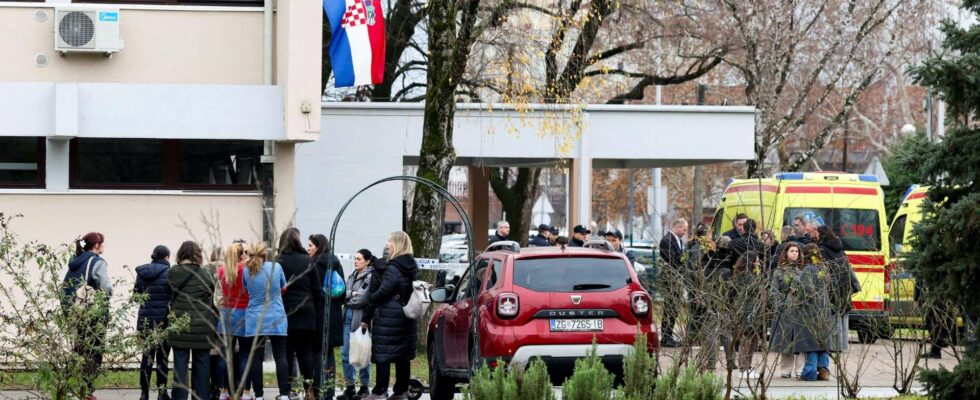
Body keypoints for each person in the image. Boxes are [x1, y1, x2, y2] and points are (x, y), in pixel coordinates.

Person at [365, 232, 419, 400]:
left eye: (389, 241)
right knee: (402, 356)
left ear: (397, 244)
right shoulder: (412, 265)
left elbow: (385, 290)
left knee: (383, 354)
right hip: (406, 316)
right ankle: (401, 391)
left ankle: (379, 391)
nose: (387, 244)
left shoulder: (393, 266)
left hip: (388, 317)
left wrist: (372, 298)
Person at [63, 232, 114, 400]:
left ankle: (71, 388)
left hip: (76, 313)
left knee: (79, 350)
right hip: (93, 314)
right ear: (96, 245)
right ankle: (87, 390)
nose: (104, 246)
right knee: (94, 352)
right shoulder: (97, 262)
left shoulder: (74, 262)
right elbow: (106, 288)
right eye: (103, 243)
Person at [168, 241, 218, 400]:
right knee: (202, 365)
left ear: (181, 254)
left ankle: (179, 397)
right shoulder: (205, 273)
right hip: (202, 326)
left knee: (180, 366)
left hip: (179, 325)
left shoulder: (174, 271)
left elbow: (170, 289)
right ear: (198, 255)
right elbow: (212, 289)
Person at [242, 242, 291, 400]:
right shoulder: (276, 268)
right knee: (281, 355)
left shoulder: (245, 270)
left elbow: (245, 289)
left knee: (256, 358)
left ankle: (259, 395)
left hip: (255, 318)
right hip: (276, 315)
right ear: (266, 254)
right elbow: (284, 286)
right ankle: (284, 394)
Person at [274, 228, 319, 399]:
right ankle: (309, 391)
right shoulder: (308, 260)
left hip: (285, 311)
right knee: (305, 353)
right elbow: (316, 288)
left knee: (285, 353)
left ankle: (287, 391)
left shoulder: (278, 261)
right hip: (307, 310)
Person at [309, 233, 345, 400]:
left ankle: (318, 390)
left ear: (319, 246)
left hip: (317, 314)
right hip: (334, 314)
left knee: (316, 352)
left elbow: (312, 291)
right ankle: (329, 391)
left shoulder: (313, 264)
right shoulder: (335, 263)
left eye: (311, 245)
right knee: (329, 353)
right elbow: (342, 292)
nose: (308, 248)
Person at [134, 245, 172, 400]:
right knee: (162, 357)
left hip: (145, 321)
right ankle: (162, 393)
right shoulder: (170, 273)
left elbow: (136, 296)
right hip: (163, 319)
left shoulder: (142, 273)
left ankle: (144, 393)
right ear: (167, 257)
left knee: (146, 356)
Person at [218, 240, 251, 400]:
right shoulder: (245, 270)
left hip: (226, 314)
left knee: (225, 355)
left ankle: (223, 391)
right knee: (245, 354)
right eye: (244, 253)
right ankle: (245, 392)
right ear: (240, 255)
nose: (246, 255)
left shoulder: (222, 270)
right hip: (243, 314)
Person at [339, 249, 375, 399]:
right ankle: (350, 387)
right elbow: (343, 294)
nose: (355, 261)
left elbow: (361, 299)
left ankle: (365, 387)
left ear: (367, 261)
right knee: (345, 353)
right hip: (346, 318)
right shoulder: (352, 275)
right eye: (354, 258)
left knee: (362, 353)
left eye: (359, 259)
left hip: (361, 320)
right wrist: (349, 295)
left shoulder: (370, 277)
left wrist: (348, 297)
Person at [796, 244, 835, 381]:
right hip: (824, 308)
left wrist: (799, 300)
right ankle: (824, 370)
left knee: (810, 342)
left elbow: (807, 289)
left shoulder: (808, 269)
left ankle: (809, 373)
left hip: (811, 309)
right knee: (822, 341)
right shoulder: (823, 268)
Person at [769, 243, 804, 378]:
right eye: (792, 251)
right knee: (786, 339)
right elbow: (773, 290)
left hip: (800, 308)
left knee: (800, 339)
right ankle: (785, 369)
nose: (795, 253)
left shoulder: (801, 271)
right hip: (785, 309)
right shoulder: (779, 271)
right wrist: (780, 304)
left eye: (797, 251)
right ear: (786, 253)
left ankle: (800, 369)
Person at [658, 218, 689, 348]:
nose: (685, 232)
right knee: (670, 308)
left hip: (676, 279)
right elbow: (673, 259)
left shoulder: (677, 240)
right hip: (671, 279)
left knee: (674, 308)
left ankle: (668, 335)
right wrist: (684, 263)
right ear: (677, 226)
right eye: (684, 229)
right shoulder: (667, 240)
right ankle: (666, 337)